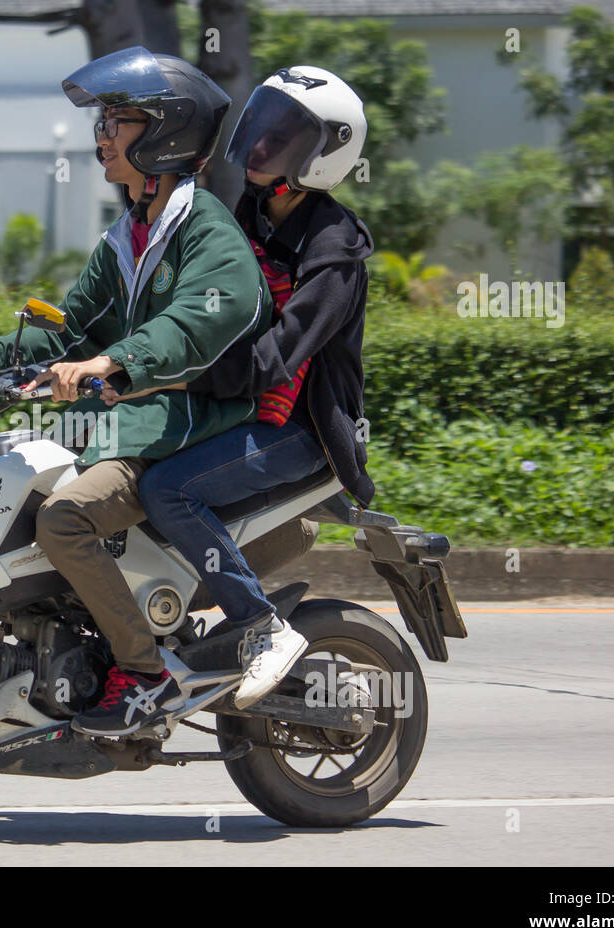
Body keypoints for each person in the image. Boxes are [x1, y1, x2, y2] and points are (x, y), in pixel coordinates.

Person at [0, 47, 272, 735]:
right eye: (104, 121)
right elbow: (61, 335)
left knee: (64, 518)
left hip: (179, 427)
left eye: (117, 121)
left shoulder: (208, 232)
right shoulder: (127, 238)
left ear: (165, 133)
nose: (102, 137)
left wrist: (112, 363)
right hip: (123, 425)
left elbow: (196, 323)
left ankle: (143, 673)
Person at [118, 65, 376, 708]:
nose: (261, 146)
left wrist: (181, 371)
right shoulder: (253, 212)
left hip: (300, 430)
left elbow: (278, 356)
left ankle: (262, 628)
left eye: (283, 136)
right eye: (262, 127)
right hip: (240, 411)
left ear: (324, 154)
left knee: (167, 489)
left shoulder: (333, 248)